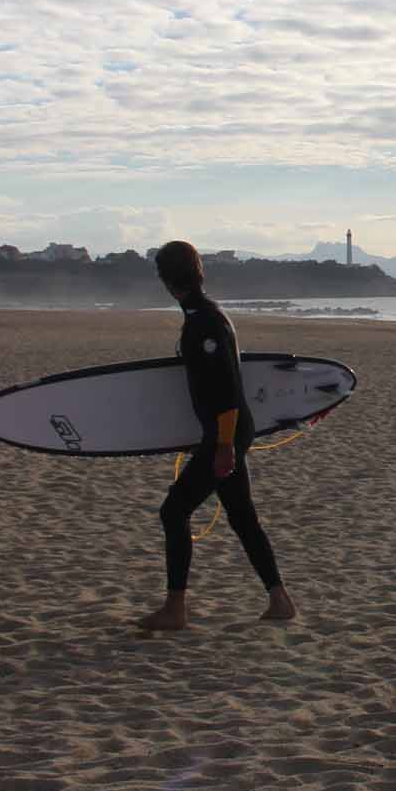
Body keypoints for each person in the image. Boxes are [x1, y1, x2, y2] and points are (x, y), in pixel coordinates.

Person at [138, 240, 296, 630]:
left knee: (173, 511)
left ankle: (176, 609)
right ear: (198, 273)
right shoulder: (208, 315)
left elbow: (225, 389)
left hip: (226, 433)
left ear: (166, 281)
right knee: (242, 516)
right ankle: (280, 600)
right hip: (227, 431)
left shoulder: (203, 323)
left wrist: (223, 445)